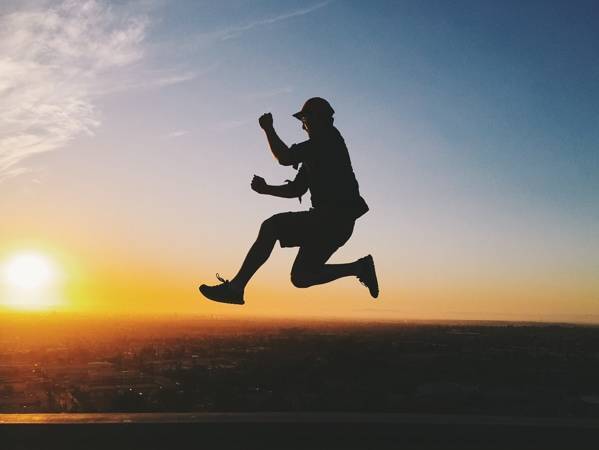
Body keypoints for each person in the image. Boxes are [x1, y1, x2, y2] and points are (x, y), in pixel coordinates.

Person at [199, 97, 378, 305]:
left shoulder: (327, 140)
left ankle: (236, 288)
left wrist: (268, 129)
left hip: (331, 219)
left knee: (271, 227)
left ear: (316, 120)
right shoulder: (320, 147)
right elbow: (297, 189)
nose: (303, 127)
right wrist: (267, 189)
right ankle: (359, 268)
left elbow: (285, 157)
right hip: (335, 224)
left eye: (305, 120)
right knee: (302, 277)